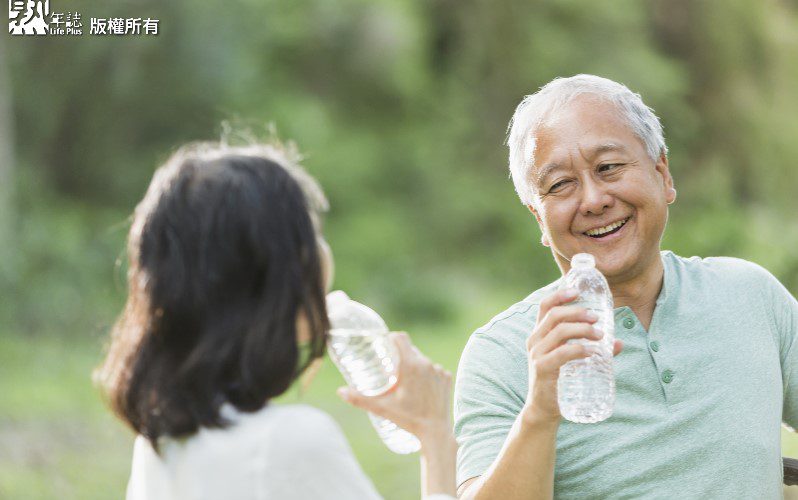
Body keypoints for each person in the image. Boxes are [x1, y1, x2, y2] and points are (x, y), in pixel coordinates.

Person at [454, 74, 798, 499]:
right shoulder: (500, 354)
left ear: (663, 175)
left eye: (609, 168)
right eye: (560, 185)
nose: (594, 199)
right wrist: (541, 410)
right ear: (539, 219)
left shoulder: (750, 295)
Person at [95, 141, 458, 499]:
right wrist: (436, 435)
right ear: (278, 273)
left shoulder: (161, 438)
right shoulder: (290, 443)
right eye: (311, 235)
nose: (323, 252)